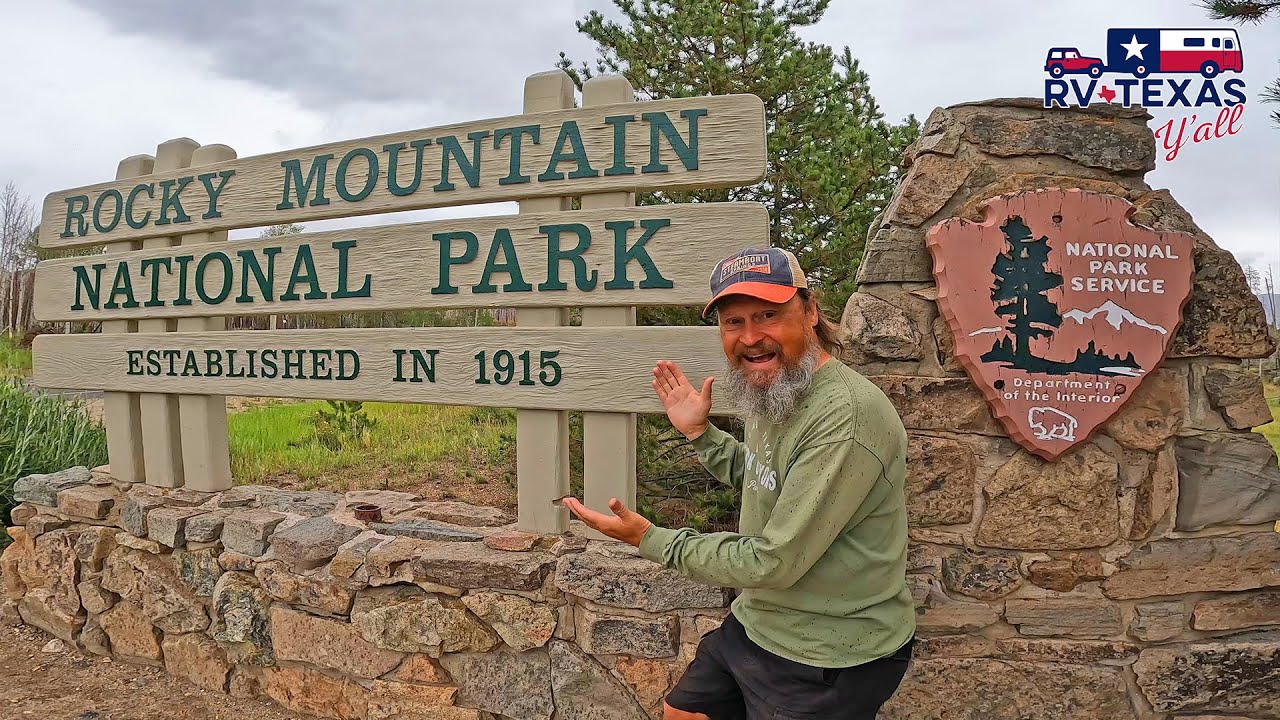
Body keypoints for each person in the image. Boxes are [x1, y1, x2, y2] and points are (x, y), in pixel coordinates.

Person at [561, 247, 916, 720]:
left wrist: (651, 540)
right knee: (684, 713)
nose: (751, 337)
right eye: (734, 322)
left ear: (810, 312)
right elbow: (763, 479)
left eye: (768, 315)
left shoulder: (844, 416)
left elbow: (773, 561)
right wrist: (700, 435)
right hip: (760, 623)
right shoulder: (778, 387)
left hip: (830, 651)